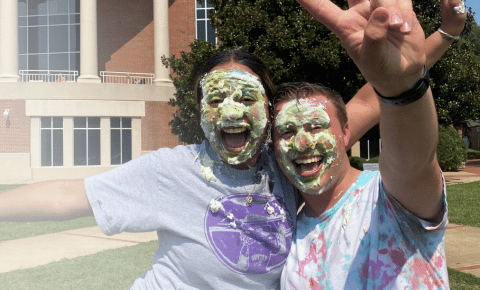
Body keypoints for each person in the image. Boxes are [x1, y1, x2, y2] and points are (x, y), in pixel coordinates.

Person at [0, 0, 464, 288]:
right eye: (215, 98)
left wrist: (430, 49)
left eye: (246, 98)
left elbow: (375, 99)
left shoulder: (283, 157)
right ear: (199, 112)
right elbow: (72, 194)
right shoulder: (172, 170)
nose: (231, 111)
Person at [272, 0, 466, 289]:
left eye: (316, 126)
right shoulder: (287, 238)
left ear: (347, 132)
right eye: (287, 131)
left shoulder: (390, 200)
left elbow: (413, 162)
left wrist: (402, 87)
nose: (302, 142)